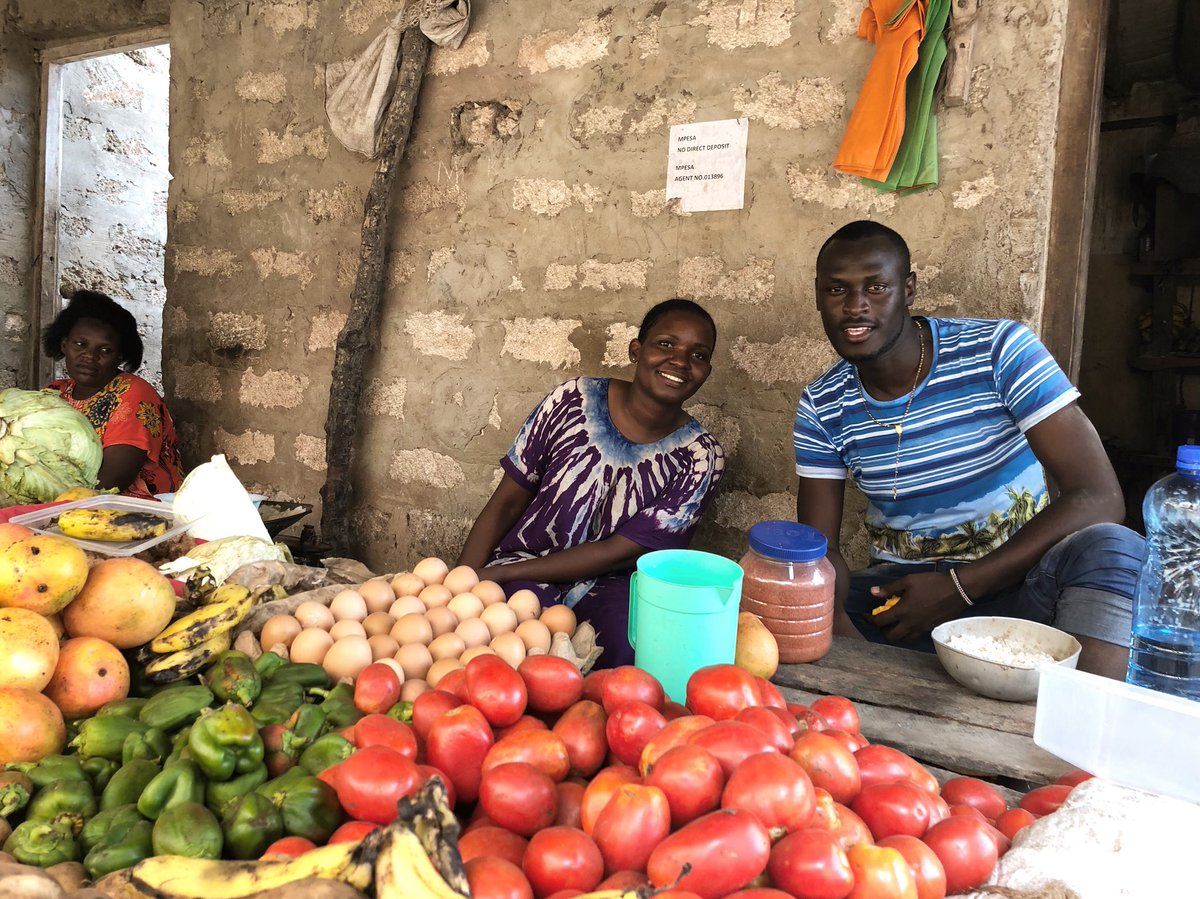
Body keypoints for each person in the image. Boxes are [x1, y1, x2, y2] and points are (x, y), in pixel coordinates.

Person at [793, 221, 1145, 678]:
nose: (855, 306)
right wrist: (853, 653)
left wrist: (957, 588)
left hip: (1023, 582)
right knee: (783, 600)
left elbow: (1100, 496)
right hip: (904, 599)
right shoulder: (822, 403)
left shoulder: (999, 351)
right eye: (836, 289)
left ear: (909, 289)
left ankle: (1086, 713)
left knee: (1115, 548)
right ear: (818, 296)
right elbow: (819, 550)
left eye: (876, 287)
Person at [457, 299, 726, 668]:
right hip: (526, 563)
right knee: (508, 636)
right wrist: (459, 586)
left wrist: (501, 572)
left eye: (698, 355)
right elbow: (507, 501)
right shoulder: (572, 401)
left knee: (632, 650)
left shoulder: (700, 458)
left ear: (707, 371)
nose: (680, 361)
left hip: (613, 583)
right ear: (636, 350)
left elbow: (619, 551)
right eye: (666, 344)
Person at [42, 290, 181, 500]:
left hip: (132, 508)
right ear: (64, 344)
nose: (90, 356)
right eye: (80, 344)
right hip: (65, 503)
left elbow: (111, 481)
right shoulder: (54, 393)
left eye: (105, 350)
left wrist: (42, 497)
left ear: (120, 356)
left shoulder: (133, 394)